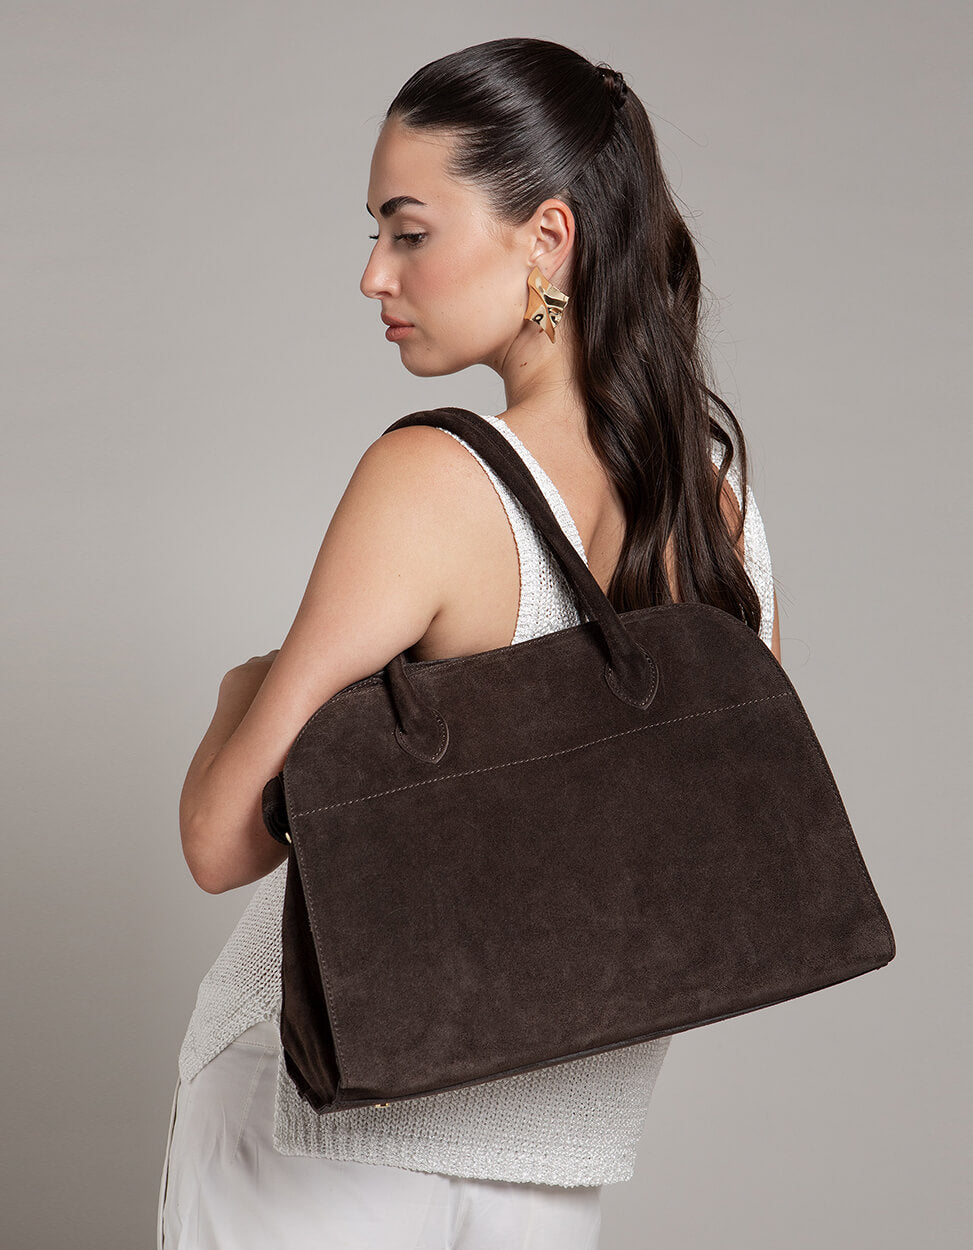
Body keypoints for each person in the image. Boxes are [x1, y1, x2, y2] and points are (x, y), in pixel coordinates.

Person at [158, 35, 781, 1250]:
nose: (372, 274)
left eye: (408, 232)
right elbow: (675, 854)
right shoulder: (724, 515)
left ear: (546, 238)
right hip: (556, 1150)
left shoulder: (434, 478)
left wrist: (246, 684)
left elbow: (219, 837)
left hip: (314, 1117)